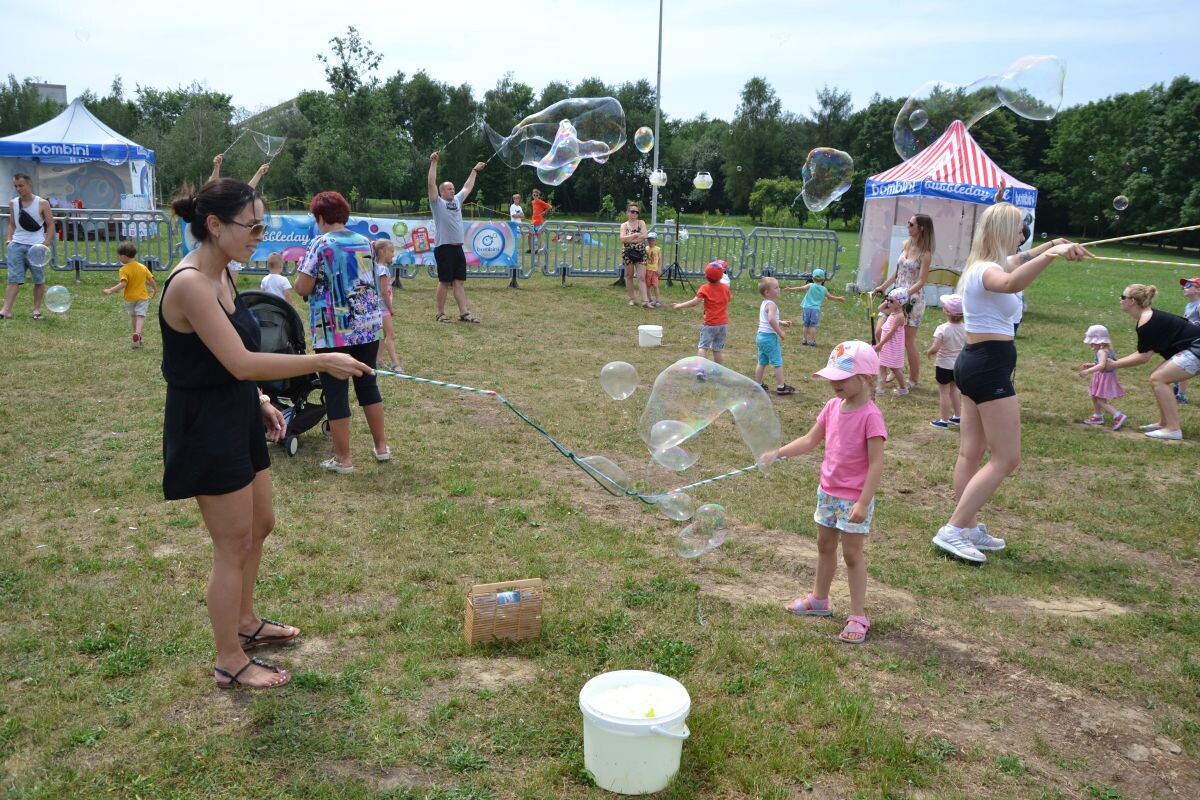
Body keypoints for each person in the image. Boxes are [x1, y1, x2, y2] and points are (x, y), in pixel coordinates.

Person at [162, 178, 371, 689]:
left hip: (236, 410)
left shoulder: (224, 275)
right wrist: (321, 359)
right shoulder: (189, 282)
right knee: (231, 543)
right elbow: (239, 361)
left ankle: (247, 621)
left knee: (261, 524)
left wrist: (257, 400)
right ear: (215, 225)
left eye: (264, 224)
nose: (261, 234)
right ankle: (229, 660)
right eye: (252, 225)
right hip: (206, 426)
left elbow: (227, 358)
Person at [933, 203, 1091, 564]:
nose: (1024, 235)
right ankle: (955, 529)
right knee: (1007, 457)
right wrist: (1052, 253)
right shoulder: (989, 271)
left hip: (976, 363)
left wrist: (1049, 247)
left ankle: (967, 527)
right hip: (987, 366)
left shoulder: (985, 263)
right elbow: (1010, 282)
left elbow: (1016, 263)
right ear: (1004, 231)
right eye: (1020, 229)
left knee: (970, 453)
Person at [776, 340, 887, 645]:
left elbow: (876, 463)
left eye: (841, 379)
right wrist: (779, 452)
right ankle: (819, 600)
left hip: (853, 498)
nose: (833, 384)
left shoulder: (870, 416)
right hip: (827, 492)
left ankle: (857, 615)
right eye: (832, 378)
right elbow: (811, 440)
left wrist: (864, 502)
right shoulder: (831, 407)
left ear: (864, 379)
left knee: (852, 554)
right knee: (824, 546)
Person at [294, 191, 391, 472]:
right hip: (367, 326)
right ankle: (381, 447)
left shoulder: (320, 244)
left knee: (336, 392)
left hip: (333, 330)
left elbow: (302, 286)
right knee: (368, 384)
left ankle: (343, 459)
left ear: (320, 217)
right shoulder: (366, 243)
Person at [1085, 284, 1200, 441]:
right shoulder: (1147, 318)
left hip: (1196, 348)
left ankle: (1173, 429)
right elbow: (1145, 353)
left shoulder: (1146, 321)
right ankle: (1164, 423)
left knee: (1158, 378)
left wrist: (1113, 364)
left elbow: (1143, 358)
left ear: (1132, 301)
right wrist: (1112, 363)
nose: (1120, 299)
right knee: (1156, 376)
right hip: (1191, 348)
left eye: (1122, 297)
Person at [874, 214, 933, 385]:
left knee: (907, 341)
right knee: (880, 331)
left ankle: (913, 379)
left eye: (911, 224)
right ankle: (895, 366)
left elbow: (922, 280)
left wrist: (905, 294)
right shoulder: (905, 245)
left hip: (912, 300)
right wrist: (883, 287)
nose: (907, 226)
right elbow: (898, 271)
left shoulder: (925, 253)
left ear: (921, 228)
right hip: (895, 297)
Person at [428, 151, 485, 324]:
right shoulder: (437, 203)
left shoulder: (457, 201)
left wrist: (474, 171)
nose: (453, 190)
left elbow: (467, 187)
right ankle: (440, 313)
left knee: (459, 282)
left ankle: (464, 313)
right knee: (444, 281)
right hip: (444, 247)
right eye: (449, 188)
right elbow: (430, 182)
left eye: (453, 188)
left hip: (457, 248)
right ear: (441, 191)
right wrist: (434, 163)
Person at [3, 173, 55, 320]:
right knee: (13, 278)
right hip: (17, 245)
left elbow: (50, 225)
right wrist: (9, 239)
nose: (19, 189)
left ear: (29, 185)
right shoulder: (13, 203)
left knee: (38, 279)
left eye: (21, 185)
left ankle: (36, 310)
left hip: (36, 246)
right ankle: (6, 310)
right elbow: (12, 224)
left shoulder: (42, 203)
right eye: (16, 186)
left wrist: (46, 243)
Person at [102, 241, 157, 348]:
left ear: (123, 256)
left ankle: (135, 335)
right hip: (142, 297)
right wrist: (155, 289)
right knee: (140, 315)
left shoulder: (124, 269)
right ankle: (137, 334)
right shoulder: (142, 267)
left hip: (130, 298)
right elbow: (151, 279)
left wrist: (111, 290)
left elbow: (124, 283)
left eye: (118, 256)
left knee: (133, 316)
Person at [674, 262, 732, 363]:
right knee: (717, 349)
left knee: (703, 347)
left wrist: (680, 305)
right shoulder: (725, 288)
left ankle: (701, 370)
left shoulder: (705, 288)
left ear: (706, 276)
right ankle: (718, 370)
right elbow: (728, 299)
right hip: (723, 324)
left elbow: (694, 302)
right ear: (722, 275)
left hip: (710, 324)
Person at [1076, 324, 1127, 430]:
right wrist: (1091, 364)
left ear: (1100, 342)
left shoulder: (1101, 351)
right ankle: (1097, 416)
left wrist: (1088, 371)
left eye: (1092, 342)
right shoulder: (1106, 350)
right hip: (1101, 376)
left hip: (1104, 378)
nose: (1091, 345)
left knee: (1100, 400)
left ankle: (1118, 415)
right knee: (1095, 397)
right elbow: (1103, 364)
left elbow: (1102, 365)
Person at [926, 294, 965, 429]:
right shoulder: (965, 328)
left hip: (943, 365)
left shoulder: (942, 329)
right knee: (954, 390)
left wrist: (930, 351)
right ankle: (958, 416)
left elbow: (936, 347)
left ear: (947, 312)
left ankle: (943, 420)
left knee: (944, 392)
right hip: (958, 365)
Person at [782, 267, 844, 346]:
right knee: (813, 326)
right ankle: (812, 341)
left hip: (807, 308)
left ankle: (804, 340)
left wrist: (790, 289)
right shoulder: (824, 289)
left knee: (805, 325)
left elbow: (800, 288)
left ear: (812, 278)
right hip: (816, 310)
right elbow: (830, 297)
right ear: (823, 279)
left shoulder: (810, 285)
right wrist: (839, 298)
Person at [755, 277, 795, 395]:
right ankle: (781, 386)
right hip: (769, 338)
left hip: (761, 336)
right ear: (767, 292)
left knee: (762, 361)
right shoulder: (772, 304)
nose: (779, 289)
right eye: (776, 287)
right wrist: (780, 332)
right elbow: (771, 319)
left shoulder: (764, 303)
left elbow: (768, 320)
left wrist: (781, 322)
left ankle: (758, 384)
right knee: (777, 362)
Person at [373, 238, 402, 373]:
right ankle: (395, 363)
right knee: (390, 335)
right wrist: (390, 308)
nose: (393, 254)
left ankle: (378, 360)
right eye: (391, 251)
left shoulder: (373, 267)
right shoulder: (383, 270)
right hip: (383, 307)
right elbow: (384, 292)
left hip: (375, 306)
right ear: (383, 252)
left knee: (382, 335)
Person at [874, 289, 909, 396]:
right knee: (882, 365)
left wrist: (880, 344)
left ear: (900, 303)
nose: (888, 303)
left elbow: (891, 333)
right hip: (887, 345)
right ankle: (880, 388)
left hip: (893, 346)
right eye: (888, 300)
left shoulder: (899, 316)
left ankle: (903, 388)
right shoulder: (893, 312)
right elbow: (880, 308)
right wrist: (889, 299)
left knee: (895, 368)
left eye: (891, 301)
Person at [1172, 277, 1200, 403]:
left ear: (1198, 289)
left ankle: (1181, 394)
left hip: (1197, 342)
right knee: (1182, 364)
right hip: (1189, 340)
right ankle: (1179, 390)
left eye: (1189, 285)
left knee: (1184, 366)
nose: (1185, 287)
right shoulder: (1189, 305)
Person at [619, 203, 649, 307]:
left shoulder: (641, 223)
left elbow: (645, 235)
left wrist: (630, 238)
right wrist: (636, 235)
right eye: (632, 211)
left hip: (640, 252)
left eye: (637, 212)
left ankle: (645, 301)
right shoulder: (624, 225)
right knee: (629, 276)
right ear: (628, 212)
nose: (635, 213)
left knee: (641, 276)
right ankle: (632, 299)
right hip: (628, 253)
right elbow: (622, 239)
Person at [530, 189, 552, 253]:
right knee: (533, 234)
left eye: (536, 195)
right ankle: (536, 248)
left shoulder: (540, 202)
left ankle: (539, 249)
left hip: (539, 221)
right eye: (534, 195)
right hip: (533, 221)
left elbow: (550, 206)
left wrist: (544, 212)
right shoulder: (532, 202)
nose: (535, 196)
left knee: (538, 235)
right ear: (532, 195)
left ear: (539, 196)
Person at [643, 231, 662, 307]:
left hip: (655, 270)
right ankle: (650, 299)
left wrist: (659, 268)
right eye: (649, 240)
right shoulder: (646, 249)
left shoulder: (657, 249)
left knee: (655, 286)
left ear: (656, 241)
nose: (651, 242)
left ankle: (657, 300)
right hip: (647, 270)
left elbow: (660, 259)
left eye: (653, 240)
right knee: (647, 286)